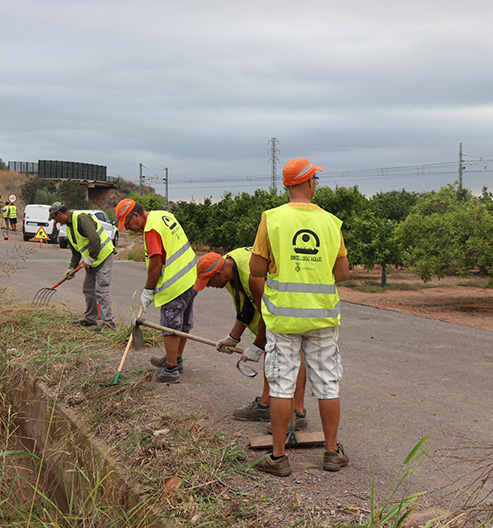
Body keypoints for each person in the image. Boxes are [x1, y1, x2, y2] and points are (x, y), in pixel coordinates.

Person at [248, 158, 350, 477]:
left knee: (281, 384)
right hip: (321, 317)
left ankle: (278, 458)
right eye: (315, 179)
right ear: (309, 183)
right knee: (328, 382)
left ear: (288, 185)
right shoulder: (332, 223)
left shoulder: (272, 219)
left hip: (284, 318)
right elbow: (342, 274)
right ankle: (331, 453)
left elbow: (256, 269)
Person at [194, 250, 308, 431]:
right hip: (270, 299)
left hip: (291, 298)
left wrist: (257, 346)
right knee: (272, 348)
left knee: (293, 350)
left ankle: (297, 412)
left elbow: (266, 313)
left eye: (208, 282)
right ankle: (266, 404)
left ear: (218, 274)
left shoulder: (252, 275)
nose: (208, 286)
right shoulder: (231, 270)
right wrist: (233, 337)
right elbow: (248, 303)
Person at [116, 198, 197, 383]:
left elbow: (156, 264)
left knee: (170, 325)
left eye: (127, 223)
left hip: (175, 283)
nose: (128, 229)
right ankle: (175, 358)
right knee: (183, 323)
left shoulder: (151, 229)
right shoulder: (162, 215)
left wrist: (148, 290)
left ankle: (170, 369)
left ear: (136, 215)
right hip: (191, 277)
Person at [50, 202, 117, 332]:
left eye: (55, 218)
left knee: (101, 289)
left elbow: (95, 239)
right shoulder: (69, 227)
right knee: (88, 289)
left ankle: (109, 322)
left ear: (60, 214)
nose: (56, 222)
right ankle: (90, 319)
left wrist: (91, 257)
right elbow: (76, 251)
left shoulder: (81, 218)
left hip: (103, 256)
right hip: (92, 261)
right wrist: (72, 267)